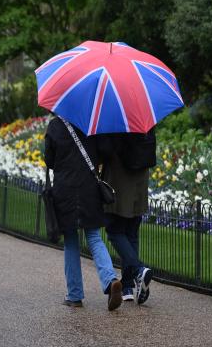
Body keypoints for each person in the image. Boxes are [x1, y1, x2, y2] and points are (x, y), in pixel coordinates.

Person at [44, 116, 122, 311]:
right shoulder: (92, 124)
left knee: (71, 241)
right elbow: (106, 152)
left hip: (65, 190)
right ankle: (110, 279)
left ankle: (75, 295)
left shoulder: (55, 125)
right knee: (94, 237)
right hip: (89, 189)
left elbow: (49, 160)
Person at [100, 130, 156, 304]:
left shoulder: (115, 118)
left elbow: (106, 150)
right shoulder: (144, 114)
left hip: (119, 180)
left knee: (114, 231)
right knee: (131, 233)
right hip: (139, 180)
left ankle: (139, 270)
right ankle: (127, 286)